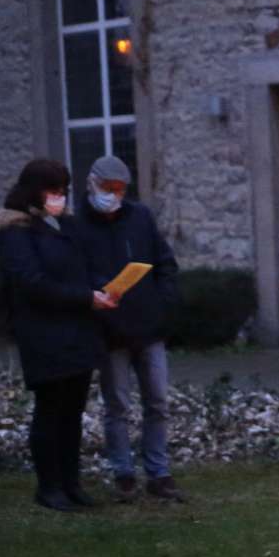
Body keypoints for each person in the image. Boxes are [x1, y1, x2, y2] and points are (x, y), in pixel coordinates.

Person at [0, 158, 115, 511]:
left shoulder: (62, 225)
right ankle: (49, 486)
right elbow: (31, 282)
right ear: (35, 190)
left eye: (63, 191)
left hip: (77, 328)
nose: (59, 197)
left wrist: (100, 289)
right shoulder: (15, 231)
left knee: (72, 411)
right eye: (53, 190)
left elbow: (79, 266)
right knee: (51, 409)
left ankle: (71, 483)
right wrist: (85, 297)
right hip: (43, 332)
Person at [72, 154, 185, 504]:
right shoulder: (77, 226)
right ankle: (123, 474)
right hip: (109, 331)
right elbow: (75, 273)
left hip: (148, 327)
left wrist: (163, 302)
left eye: (120, 190)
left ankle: (159, 473)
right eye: (108, 189)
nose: (113, 196)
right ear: (92, 185)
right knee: (117, 406)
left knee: (158, 403)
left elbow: (164, 263)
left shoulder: (140, 217)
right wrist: (98, 296)